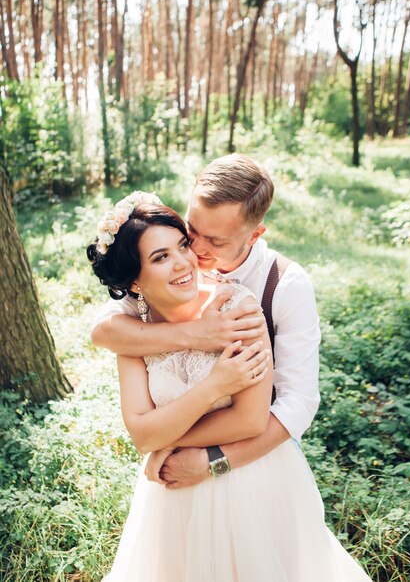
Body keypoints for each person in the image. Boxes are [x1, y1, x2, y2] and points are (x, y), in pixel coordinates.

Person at [87, 195, 372, 581]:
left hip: (253, 477)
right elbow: (141, 434)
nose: (185, 261)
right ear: (135, 280)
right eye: (160, 257)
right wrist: (214, 386)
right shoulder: (133, 330)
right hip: (172, 493)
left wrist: (169, 437)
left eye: (181, 246)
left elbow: (251, 419)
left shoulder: (239, 308)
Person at [91, 154, 320, 488]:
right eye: (192, 230)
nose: (194, 250)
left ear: (254, 235)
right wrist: (196, 334)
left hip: (255, 458)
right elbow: (104, 332)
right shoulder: (165, 265)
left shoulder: (284, 285)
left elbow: (297, 403)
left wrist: (209, 458)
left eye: (215, 241)